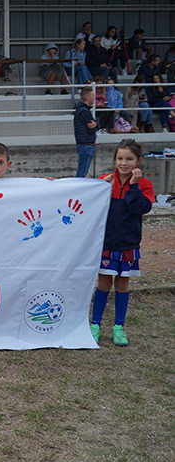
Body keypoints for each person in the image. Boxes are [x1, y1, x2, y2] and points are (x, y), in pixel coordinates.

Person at [90, 139, 154, 346]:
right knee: (103, 284)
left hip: (128, 244)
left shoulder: (144, 184)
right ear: (114, 159)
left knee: (122, 285)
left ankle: (119, 327)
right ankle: (95, 325)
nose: (124, 163)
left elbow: (140, 209)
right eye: (120, 158)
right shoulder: (104, 181)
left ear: (139, 161)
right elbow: (84, 198)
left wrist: (134, 186)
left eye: (129, 159)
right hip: (105, 244)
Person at [74, 88, 99, 178]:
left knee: (83, 171)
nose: (94, 97)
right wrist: (96, 125)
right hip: (86, 144)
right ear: (88, 97)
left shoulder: (82, 110)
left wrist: (96, 125)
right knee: (82, 172)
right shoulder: (84, 111)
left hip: (85, 144)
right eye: (93, 95)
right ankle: (77, 186)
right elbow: (91, 129)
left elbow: (94, 126)